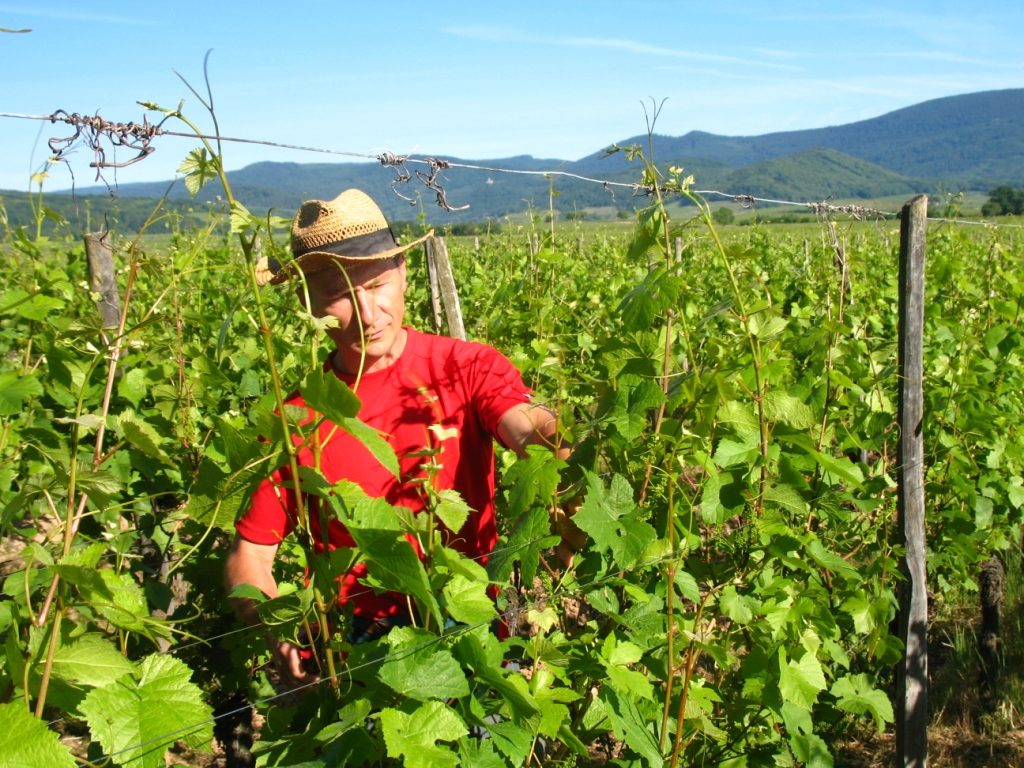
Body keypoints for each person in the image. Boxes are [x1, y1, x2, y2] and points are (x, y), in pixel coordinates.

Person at [224, 189, 580, 689]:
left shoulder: (465, 367)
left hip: (472, 621)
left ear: (403, 273)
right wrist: (276, 633)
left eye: (377, 284)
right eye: (341, 293)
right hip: (356, 648)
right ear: (307, 302)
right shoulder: (297, 420)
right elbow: (251, 554)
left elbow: (522, 421)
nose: (369, 313)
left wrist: (557, 442)